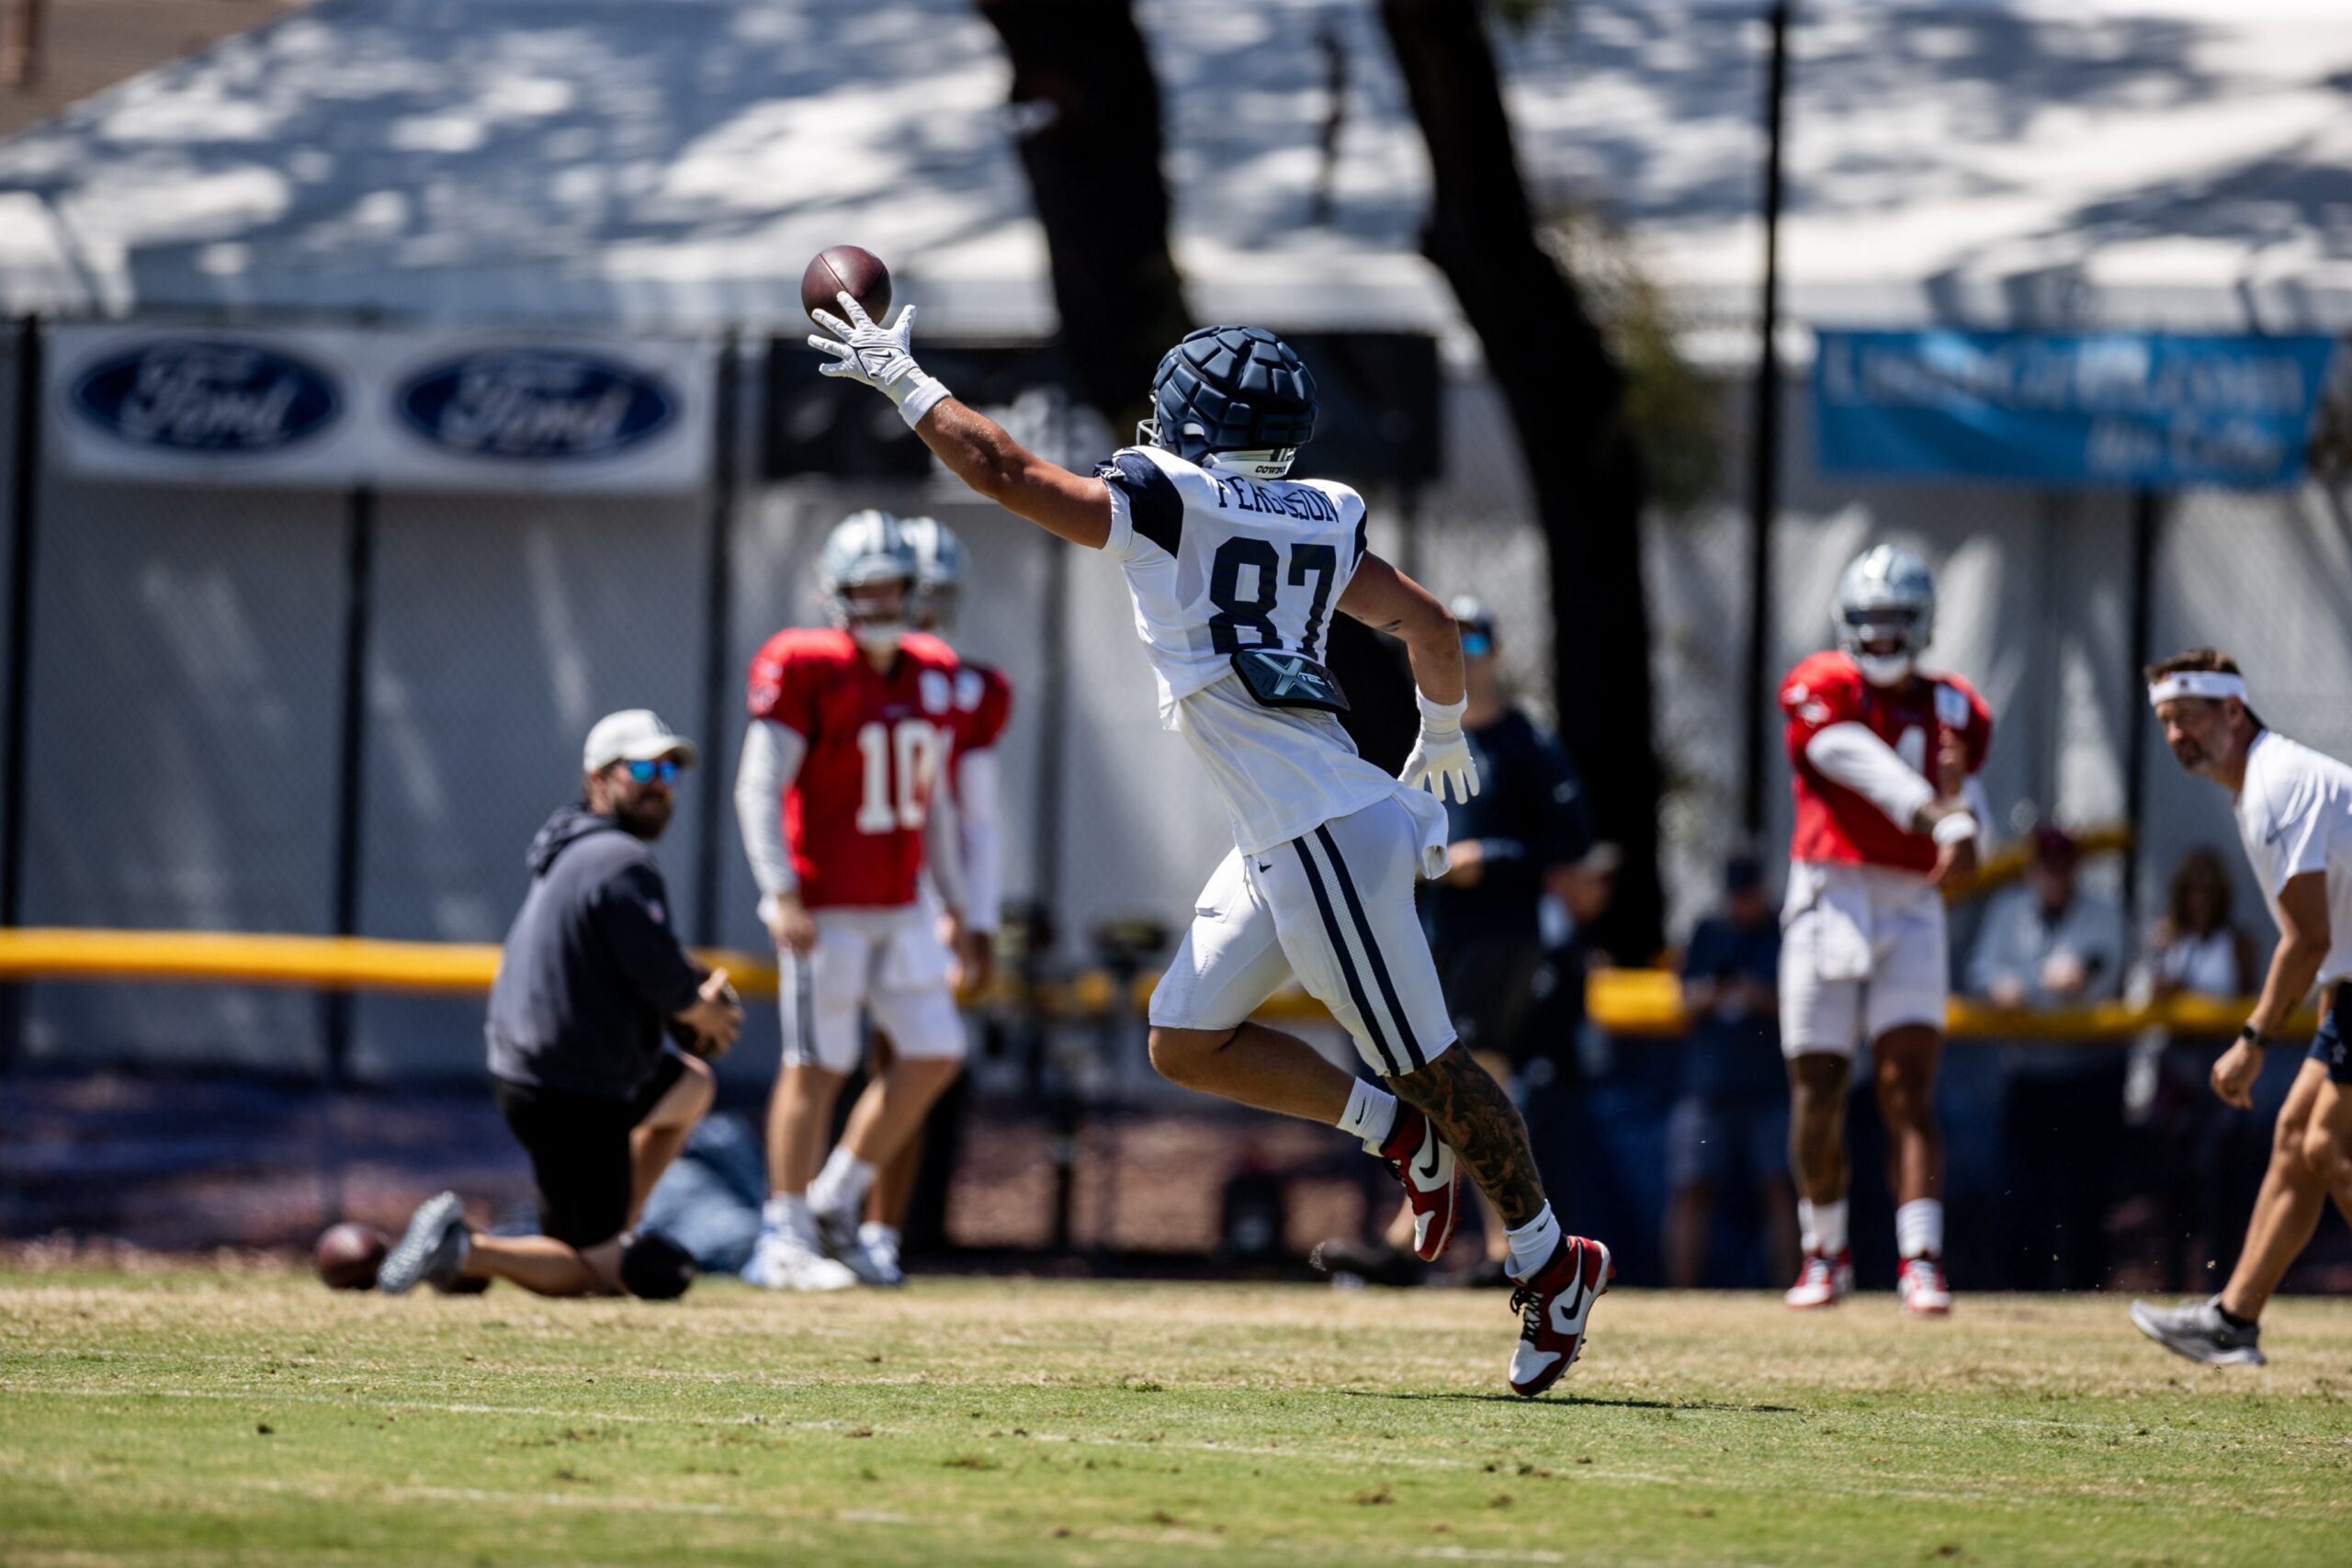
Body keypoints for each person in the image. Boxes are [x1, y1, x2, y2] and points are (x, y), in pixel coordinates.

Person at [808, 300, 1609, 1396]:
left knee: (1434, 1065)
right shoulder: (1323, 511)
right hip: (1294, 823)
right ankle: (1399, 1142)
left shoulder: (1167, 496)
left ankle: (1551, 1259)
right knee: (1185, 1038)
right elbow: (1428, 625)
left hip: (1321, 833)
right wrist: (1440, 729)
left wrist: (905, 381)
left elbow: (1001, 471)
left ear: (1187, 419)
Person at [378, 709, 742, 1299]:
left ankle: (612, 1227)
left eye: (669, 772)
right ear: (598, 779)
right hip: (576, 1088)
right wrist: (698, 1008)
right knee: (590, 1276)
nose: (658, 782)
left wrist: (684, 1000)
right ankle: (466, 1249)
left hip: (554, 1069)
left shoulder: (579, 850)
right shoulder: (621, 860)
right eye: (642, 767)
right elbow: (661, 976)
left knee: (690, 1087)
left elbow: (633, 960)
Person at [734, 512, 973, 1291]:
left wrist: (957, 905)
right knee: (817, 1063)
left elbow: (933, 805)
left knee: (935, 1052)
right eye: (865, 587)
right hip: (825, 901)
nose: (880, 600)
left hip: (900, 900)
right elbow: (759, 786)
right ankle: (783, 1232)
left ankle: (834, 1201)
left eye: (893, 585)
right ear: (837, 593)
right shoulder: (804, 664)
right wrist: (780, 891)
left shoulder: (933, 667)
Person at [1777, 544, 1990, 1315]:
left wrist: (1971, 830)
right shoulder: (1818, 683)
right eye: (1869, 618)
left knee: (1909, 1088)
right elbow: (1847, 755)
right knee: (1819, 1087)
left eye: (1897, 618)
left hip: (1908, 900)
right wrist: (1943, 816)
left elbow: (1975, 807)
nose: (1882, 633)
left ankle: (1920, 1256)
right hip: (1828, 893)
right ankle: (1824, 1248)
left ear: (1924, 621)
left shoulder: (1956, 704)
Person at [2131, 650, 2352, 1365]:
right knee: (2296, 1137)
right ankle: (2232, 1320)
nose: (2175, 736)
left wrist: (2253, 1039)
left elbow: (2308, 936)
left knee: (2329, 1146)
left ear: (2232, 710)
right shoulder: (2266, 782)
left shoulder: (2274, 785)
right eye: (2165, 722)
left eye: (2188, 716)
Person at [1419, 595, 1597, 1283]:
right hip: (1440, 928)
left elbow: (1572, 839)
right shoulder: (1433, 735)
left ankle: (1505, 1240)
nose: (1462, 653)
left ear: (1495, 651)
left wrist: (1490, 856)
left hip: (1502, 932)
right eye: (1450, 639)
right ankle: (1450, 1234)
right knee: (1434, 1078)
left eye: (1474, 641)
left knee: (1482, 1069)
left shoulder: (1525, 742)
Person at [854, 514, 1014, 1281]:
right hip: (842, 884)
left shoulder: (959, 685)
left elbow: (971, 813)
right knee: (825, 1061)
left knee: (909, 1057)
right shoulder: (828, 670)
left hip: (916, 889)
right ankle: (808, 1220)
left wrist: (971, 915)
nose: (922, 613)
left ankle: (874, 1228)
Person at [1968, 825, 2126, 1291]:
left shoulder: (2102, 909)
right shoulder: (2008, 910)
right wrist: (2020, 985)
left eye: (2063, 865)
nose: (2055, 875)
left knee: (2087, 1197)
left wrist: (2029, 984)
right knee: (2023, 1197)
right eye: (2047, 865)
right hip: (2030, 1073)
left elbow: (2096, 972)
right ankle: (2025, 1291)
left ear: (2074, 869)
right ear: (2034, 869)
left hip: (2089, 1074)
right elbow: (1982, 972)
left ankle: (2085, 1290)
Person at [1664, 854, 1795, 1289]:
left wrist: (1756, 996)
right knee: (1691, 1187)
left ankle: (1791, 1286)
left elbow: (1796, 1003)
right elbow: (1682, 1002)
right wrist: (1717, 991)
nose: (1743, 904)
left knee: (1779, 1189)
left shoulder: (1781, 931)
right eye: (1737, 896)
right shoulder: (1709, 931)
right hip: (1708, 1084)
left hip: (1767, 1084)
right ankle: (1683, 1295)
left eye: (1750, 895)